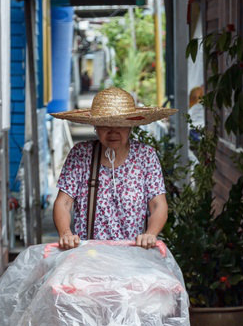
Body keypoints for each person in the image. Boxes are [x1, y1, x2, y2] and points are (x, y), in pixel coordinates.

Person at [50, 87, 177, 250]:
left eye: (121, 125)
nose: (113, 131)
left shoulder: (146, 156)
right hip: (90, 257)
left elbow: (158, 205)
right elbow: (63, 202)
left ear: (131, 126)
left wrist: (150, 234)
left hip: (134, 255)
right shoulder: (81, 154)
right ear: (95, 125)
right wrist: (66, 233)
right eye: (105, 124)